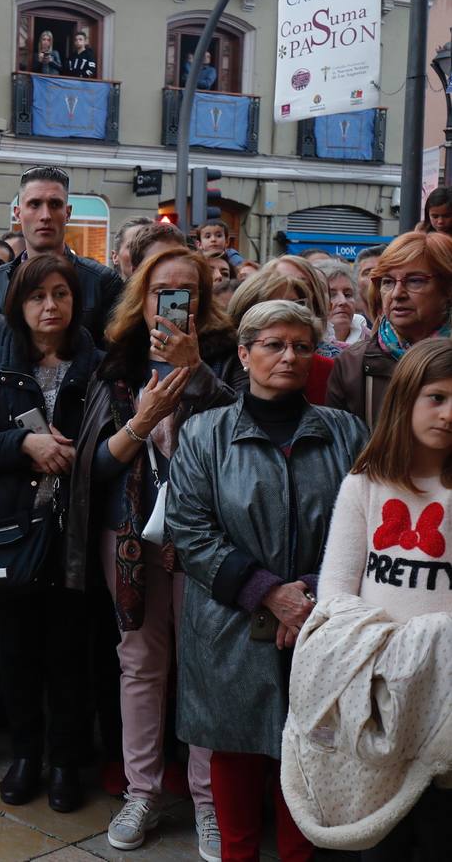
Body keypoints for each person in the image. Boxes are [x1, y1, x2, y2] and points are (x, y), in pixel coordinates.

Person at [168, 299, 367, 862]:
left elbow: (365, 525)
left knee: (310, 752)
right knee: (234, 750)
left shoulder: (345, 432)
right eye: (274, 345)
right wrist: (267, 593)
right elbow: (190, 528)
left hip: (319, 619)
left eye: (302, 346)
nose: (289, 357)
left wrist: (309, 595)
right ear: (244, 353)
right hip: (229, 622)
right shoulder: (204, 433)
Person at [71, 247, 238, 857]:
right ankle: (142, 790)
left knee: (203, 665)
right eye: (163, 291)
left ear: (204, 300)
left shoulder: (226, 355)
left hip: (207, 535)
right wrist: (142, 421)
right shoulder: (115, 364)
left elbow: (242, 435)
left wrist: (197, 374)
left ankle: (208, 800)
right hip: (129, 532)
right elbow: (94, 465)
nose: (175, 302)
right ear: (141, 299)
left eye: (187, 291)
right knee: (139, 663)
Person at [0, 250, 102, 810]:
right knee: (15, 651)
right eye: (38, 296)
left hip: (77, 529)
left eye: (60, 294)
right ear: (18, 304)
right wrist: (24, 444)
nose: (50, 306)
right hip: (12, 529)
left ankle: (65, 760)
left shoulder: (97, 364)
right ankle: (25, 753)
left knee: (70, 653)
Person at [312, 337, 452, 861]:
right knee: (378, 838)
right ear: (405, 398)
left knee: (440, 830)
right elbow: (335, 589)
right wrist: (382, 651)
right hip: (377, 691)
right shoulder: (365, 484)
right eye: (436, 397)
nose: (448, 413)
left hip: (447, 695)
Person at [328, 232, 452, 429]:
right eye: (387, 282)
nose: (397, 294)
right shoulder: (352, 364)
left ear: (447, 288)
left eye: (415, 280)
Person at [0, 167, 123, 347]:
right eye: (34, 204)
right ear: (18, 213)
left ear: (67, 213)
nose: (45, 216)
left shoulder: (103, 283)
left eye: (54, 204)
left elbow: (116, 355)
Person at [226, 267, 334, 404]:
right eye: (274, 345)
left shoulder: (327, 370)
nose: (290, 357)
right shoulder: (220, 368)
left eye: (295, 304)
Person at [314, 259, 370, 349]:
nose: (343, 301)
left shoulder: (373, 342)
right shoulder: (307, 344)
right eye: (332, 295)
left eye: (348, 294)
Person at [354, 245, 383, 319]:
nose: (375, 277)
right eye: (368, 273)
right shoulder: (351, 325)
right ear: (356, 281)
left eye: (381, 271)